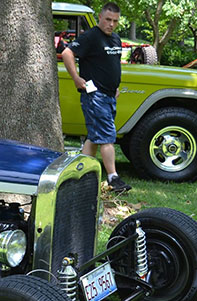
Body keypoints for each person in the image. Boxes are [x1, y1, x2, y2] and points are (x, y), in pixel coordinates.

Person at [61, 2, 131, 193]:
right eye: (108, 19)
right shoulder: (91, 36)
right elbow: (67, 53)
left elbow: (112, 64)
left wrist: (115, 85)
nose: (111, 24)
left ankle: (82, 175)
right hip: (95, 95)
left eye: (115, 21)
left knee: (94, 136)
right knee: (107, 136)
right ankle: (113, 178)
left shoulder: (115, 39)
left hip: (109, 95)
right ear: (100, 17)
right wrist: (76, 78)